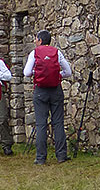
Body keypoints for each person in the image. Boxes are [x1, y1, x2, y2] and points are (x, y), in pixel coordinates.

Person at [23, 30, 73, 165]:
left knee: (41, 124)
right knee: (58, 123)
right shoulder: (57, 53)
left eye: (36, 39)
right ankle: (61, 155)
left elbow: (26, 72)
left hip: (40, 91)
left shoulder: (34, 53)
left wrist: (36, 73)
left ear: (40, 40)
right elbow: (68, 72)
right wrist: (58, 75)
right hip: (56, 90)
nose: (34, 41)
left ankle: (40, 157)